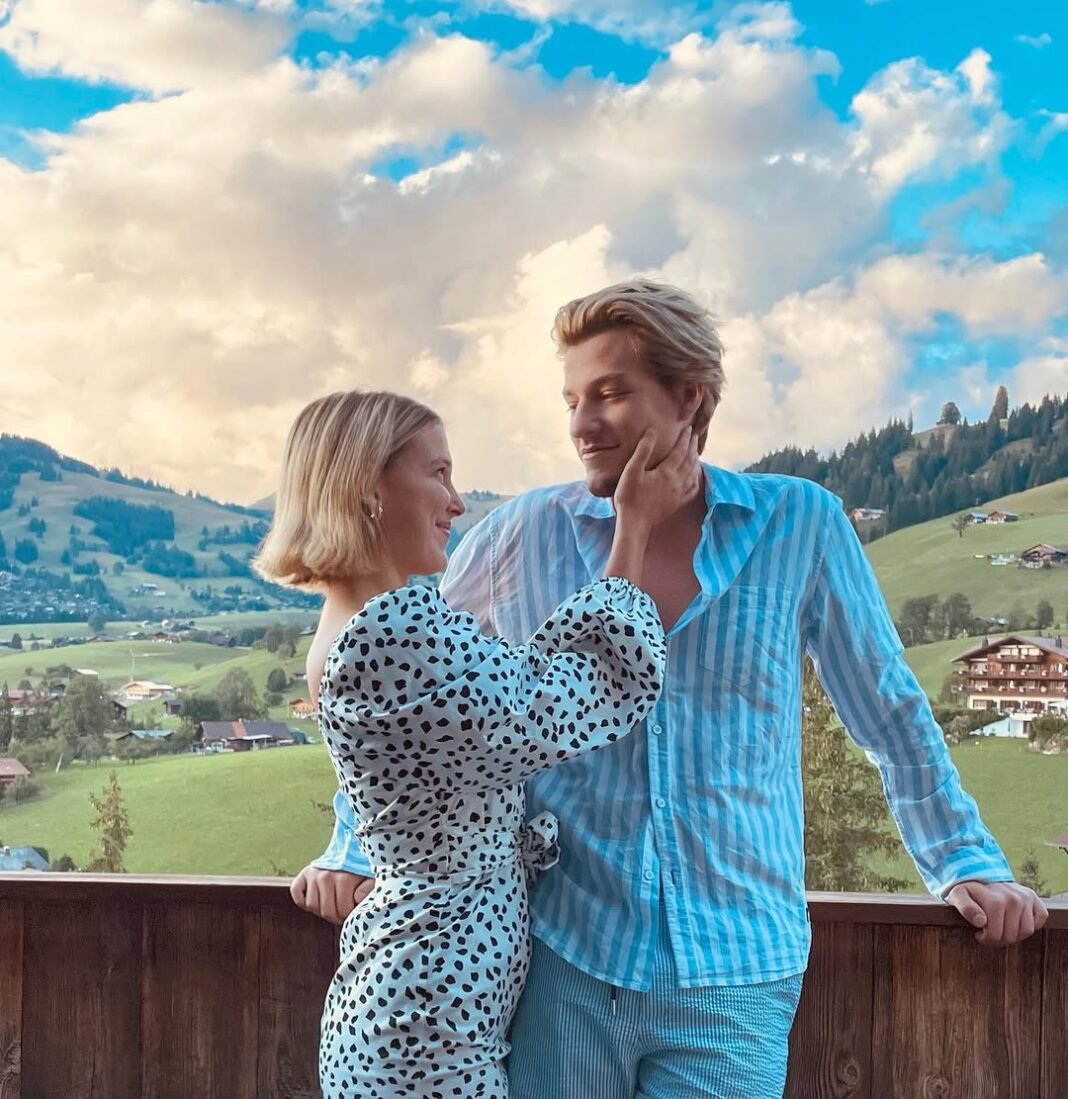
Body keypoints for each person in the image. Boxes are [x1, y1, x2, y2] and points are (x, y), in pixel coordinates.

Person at [294, 282, 1048, 1099]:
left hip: (737, 974)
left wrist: (963, 858)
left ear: (689, 396)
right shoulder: (522, 531)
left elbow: (891, 714)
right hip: (564, 964)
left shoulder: (801, 523)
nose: (581, 425)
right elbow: (410, 698)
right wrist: (354, 847)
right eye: (572, 399)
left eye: (610, 394)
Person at [254, 388, 701, 1099]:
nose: (457, 502)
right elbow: (569, 698)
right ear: (369, 486)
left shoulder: (367, 622)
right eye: (438, 473)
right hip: (426, 1026)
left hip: (424, 1010)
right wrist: (635, 530)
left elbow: (498, 709)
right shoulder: (392, 636)